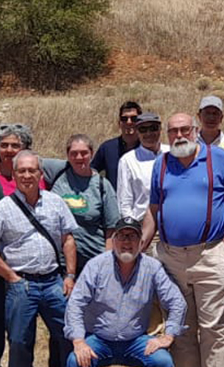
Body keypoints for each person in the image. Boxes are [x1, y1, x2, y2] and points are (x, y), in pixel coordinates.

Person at [148, 112, 224, 367]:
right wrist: (142, 247)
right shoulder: (162, 163)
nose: (180, 135)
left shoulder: (216, 158)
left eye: (185, 129)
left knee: (214, 324)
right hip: (170, 255)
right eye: (174, 131)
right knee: (181, 321)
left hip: (209, 253)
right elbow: (153, 208)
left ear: (195, 130)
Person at [0, 150, 79, 367]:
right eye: (21, 171)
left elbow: (68, 238)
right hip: (22, 284)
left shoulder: (56, 202)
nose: (26, 175)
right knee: (20, 340)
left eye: (31, 170)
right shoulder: (3, 208)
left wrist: (70, 275)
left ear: (40, 174)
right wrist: (11, 276)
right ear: (14, 174)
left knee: (68, 333)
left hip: (54, 280)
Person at [64, 218, 186, 367]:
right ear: (113, 240)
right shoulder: (96, 265)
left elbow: (177, 301)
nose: (127, 242)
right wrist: (78, 341)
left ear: (141, 242)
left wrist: (169, 335)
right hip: (99, 340)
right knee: (74, 364)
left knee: (163, 363)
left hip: (135, 341)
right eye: (122, 236)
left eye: (132, 236)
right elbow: (75, 303)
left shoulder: (152, 268)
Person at [45, 134, 121, 270]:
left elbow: (112, 229)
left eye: (84, 153)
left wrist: (108, 261)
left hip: (95, 260)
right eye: (74, 153)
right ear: (67, 155)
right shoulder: (59, 176)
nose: (79, 157)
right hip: (63, 264)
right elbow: (28, 160)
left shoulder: (102, 185)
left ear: (92, 154)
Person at [115, 112, 166, 224]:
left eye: (153, 128)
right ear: (137, 132)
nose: (149, 133)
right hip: (142, 224)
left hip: (172, 223)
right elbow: (125, 201)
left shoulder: (171, 153)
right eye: (143, 129)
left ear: (160, 129)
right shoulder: (128, 160)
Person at [94, 100, 143, 187]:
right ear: (119, 123)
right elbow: (91, 171)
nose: (129, 122)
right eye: (124, 119)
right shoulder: (107, 148)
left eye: (134, 118)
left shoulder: (148, 149)